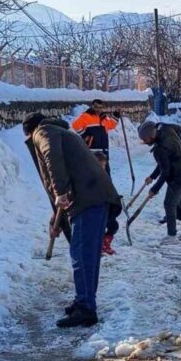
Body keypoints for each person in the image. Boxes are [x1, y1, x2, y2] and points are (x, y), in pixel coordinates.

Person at [23, 112, 122, 328]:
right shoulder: (61, 132)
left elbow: (51, 157)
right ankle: (84, 301)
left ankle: (86, 309)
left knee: (82, 254)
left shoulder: (44, 131)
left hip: (89, 198)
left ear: (30, 132)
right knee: (87, 254)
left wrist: (60, 191)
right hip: (95, 196)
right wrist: (55, 219)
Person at [71, 99, 122, 253]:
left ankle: (108, 195)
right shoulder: (86, 117)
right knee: (95, 180)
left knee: (107, 178)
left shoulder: (103, 119)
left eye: (101, 107)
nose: (99, 109)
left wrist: (116, 116)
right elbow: (75, 126)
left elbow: (111, 125)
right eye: (96, 106)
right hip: (93, 154)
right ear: (92, 106)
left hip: (104, 154)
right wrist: (87, 136)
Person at [138, 120, 181, 244]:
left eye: (145, 139)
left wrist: (154, 189)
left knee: (169, 203)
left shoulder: (160, 149)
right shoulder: (166, 129)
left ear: (152, 135)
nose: (144, 142)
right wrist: (152, 177)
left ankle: (172, 236)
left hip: (179, 176)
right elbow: (178, 128)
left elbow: (166, 172)